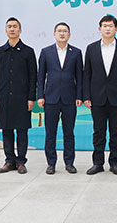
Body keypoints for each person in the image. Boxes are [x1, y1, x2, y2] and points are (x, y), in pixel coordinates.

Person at [83, 15, 117, 175]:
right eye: (104, 26)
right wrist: (86, 96)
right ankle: (97, 163)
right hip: (96, 97)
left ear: (116, 29)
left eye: (110, 26)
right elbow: (87, 74)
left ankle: (114, 163)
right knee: (98, 132)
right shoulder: (91, 48)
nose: (107, 28)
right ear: (99, 29)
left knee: (115, 132)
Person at [0, 17, 37, 174]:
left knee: (22, 130)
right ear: (6, 30)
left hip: (22, 98)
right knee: (7, 130)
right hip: (4, 97)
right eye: (9, 26)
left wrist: (31, 98)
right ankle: (9, 161)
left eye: (15, 26)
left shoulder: (28, 52)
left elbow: (33, 77)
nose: (12, 29)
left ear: (20, 30)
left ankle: (21, 161)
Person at [37, 22, 83, 175]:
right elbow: (41, 76)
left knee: (69, 133)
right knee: (50, 133)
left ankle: (69, 163)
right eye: (59, 31)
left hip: (70, 98)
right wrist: (40, 96)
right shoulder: (46, 52)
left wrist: (79, 96)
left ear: (69, 34)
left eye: (65, 31)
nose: (62, 33)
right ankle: (51, 163)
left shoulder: (76, 52)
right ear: (54, 34)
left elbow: (80, 77)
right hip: (51, 98)